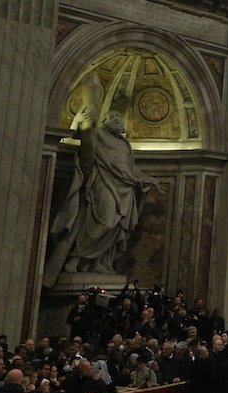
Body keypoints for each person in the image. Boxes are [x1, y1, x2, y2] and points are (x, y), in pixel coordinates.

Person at [44, 74, 158, 287]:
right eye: (113, 117)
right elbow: (78, 136)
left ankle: (99, 263)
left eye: (119, 118)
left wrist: (148, 180)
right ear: (105, 121)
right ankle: (76, 257)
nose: (118, 120)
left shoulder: (125, 145)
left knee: (115, 227)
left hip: (124, 190)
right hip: (103, 184)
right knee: (103, 221)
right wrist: (79, 119)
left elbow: (130, 169)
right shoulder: (98, 134)